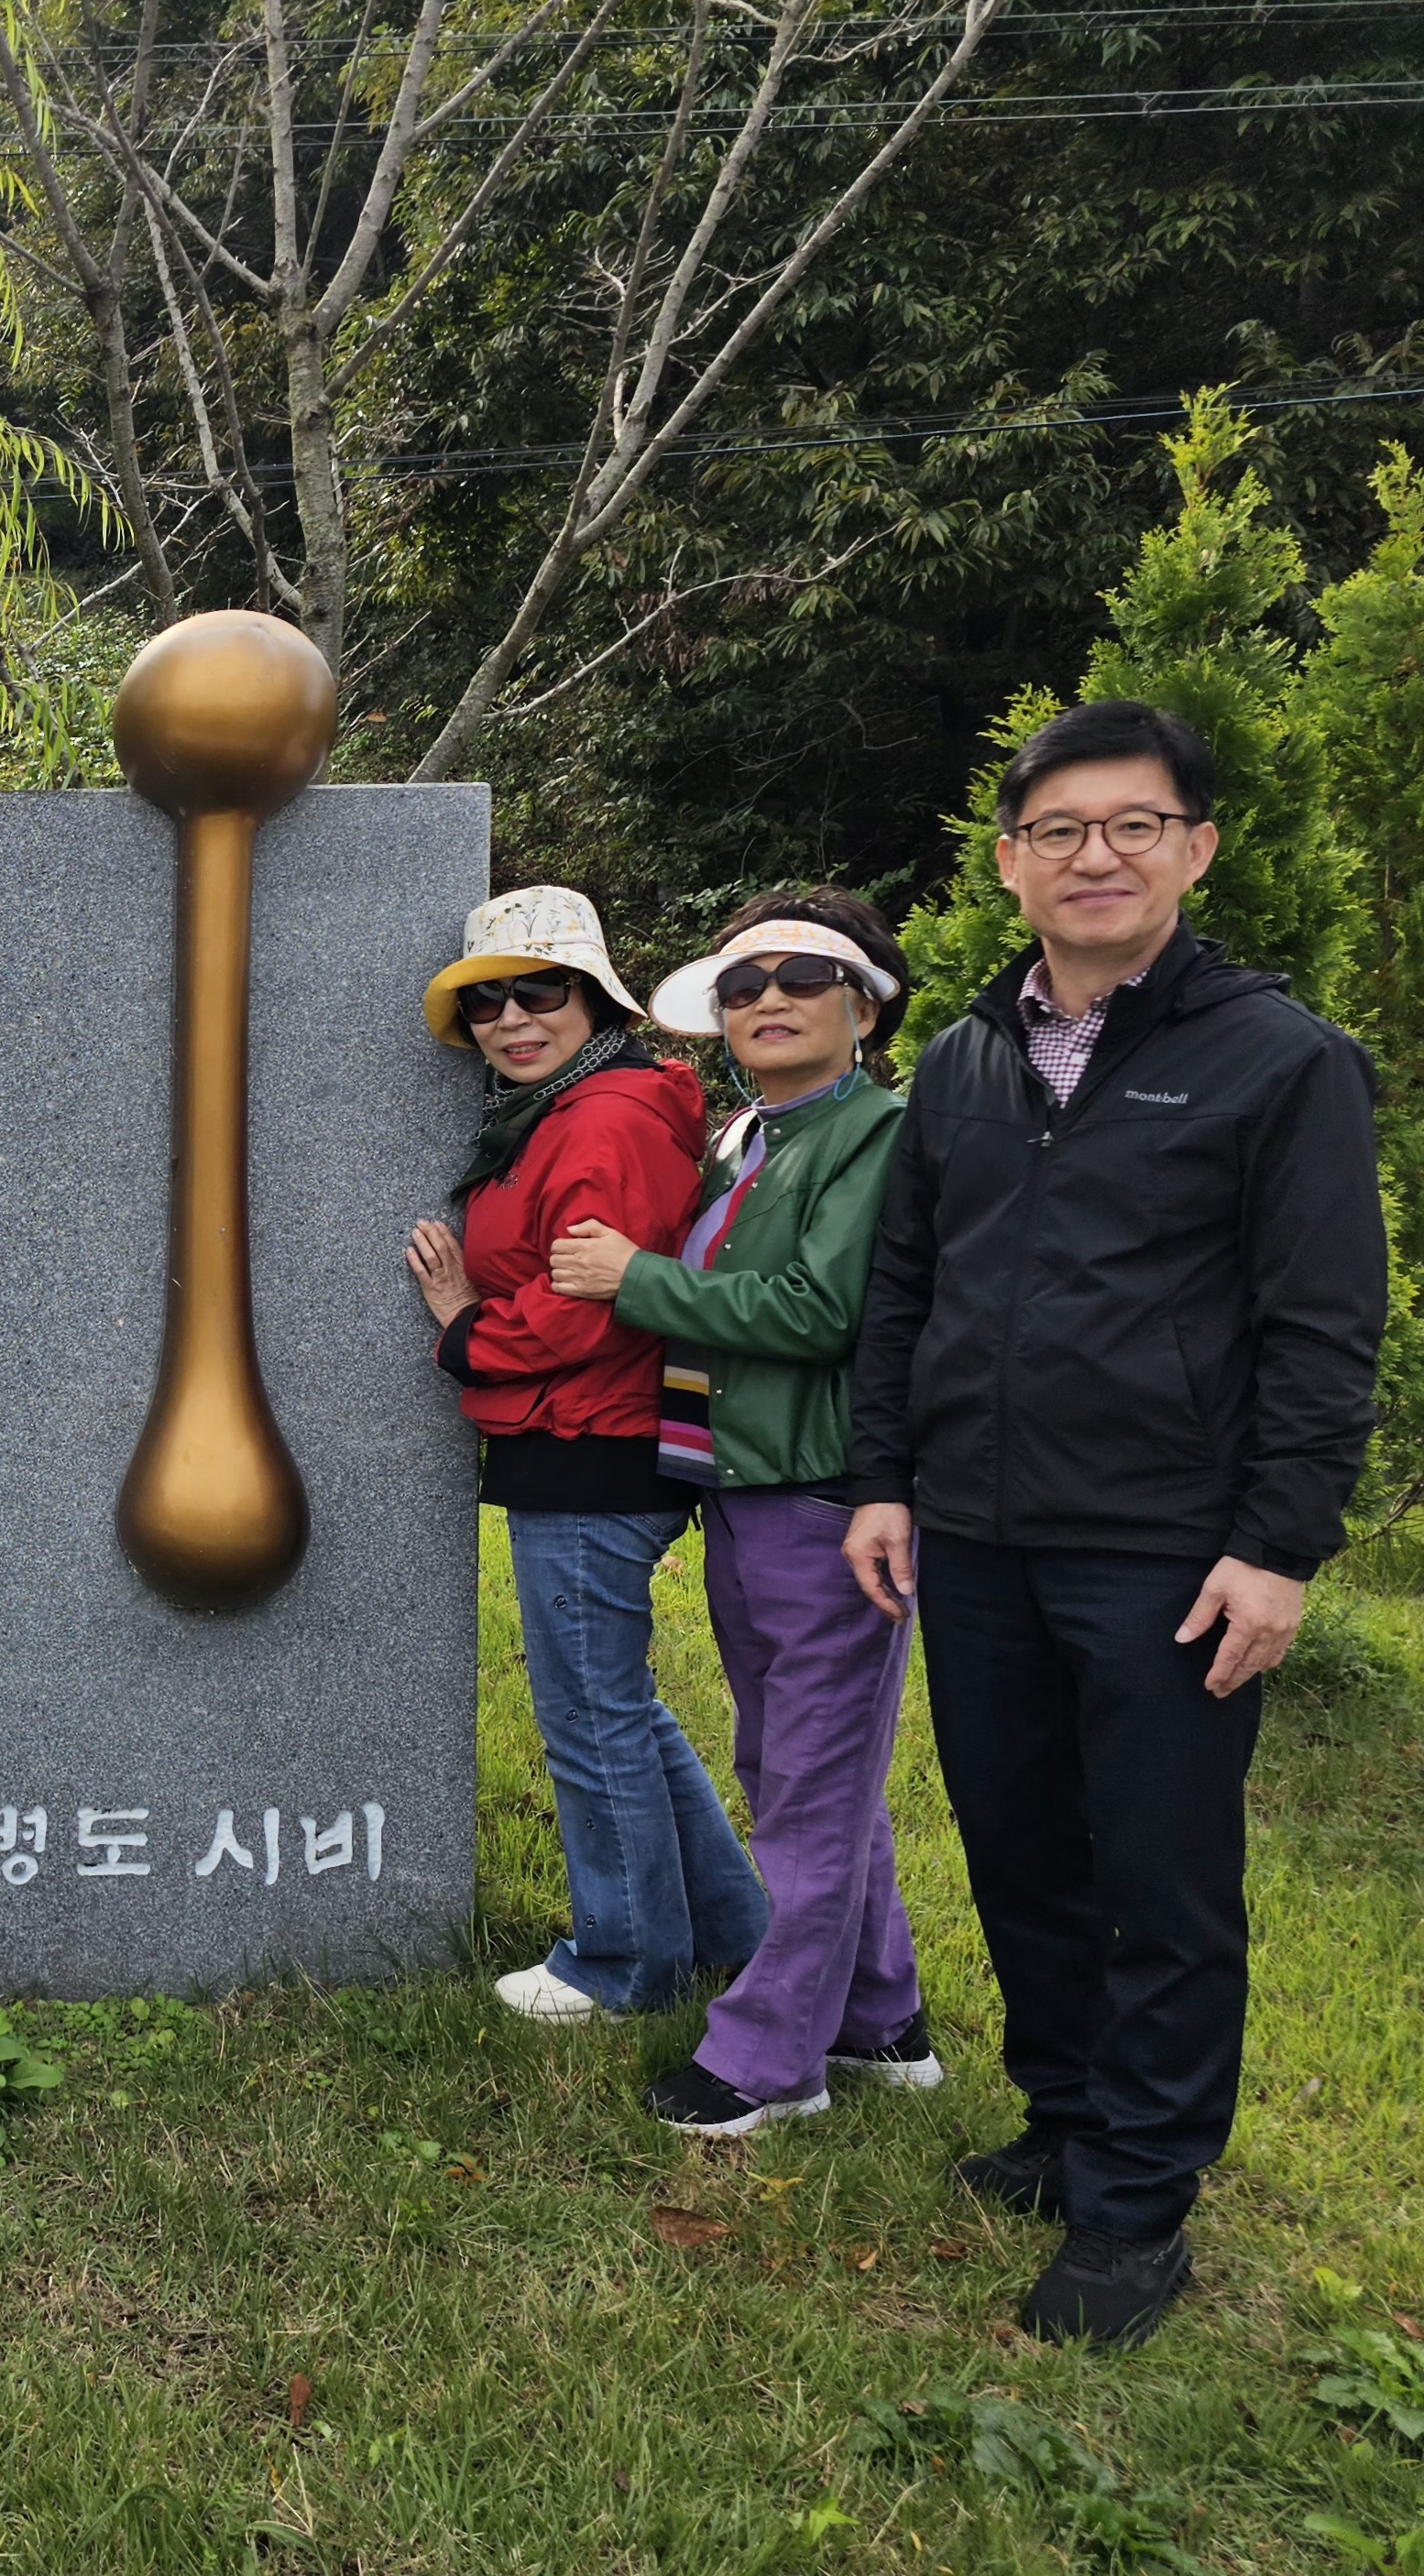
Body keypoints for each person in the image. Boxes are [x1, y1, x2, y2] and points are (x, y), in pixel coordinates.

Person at [843, 700, 1386, 2347]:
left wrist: (1277, 1546)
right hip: (975, 1535)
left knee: (1160, 1877)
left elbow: (1320, 1326)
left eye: (1132, 825)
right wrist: (884, 1477)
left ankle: (1139, 2202)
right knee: (1019, 1849)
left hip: (1167, 1549)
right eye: (1057, 831)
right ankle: (1069, 2118)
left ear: (1192, 849)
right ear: (1010, 863)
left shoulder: (1278, 1061)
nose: (1094, 856)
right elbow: (904, 1287)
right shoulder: (963, 1060)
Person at [546, 891, 936, 2136]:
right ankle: (882, 2020)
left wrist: (636, 1279)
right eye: (741, 984)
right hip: (745, 1488)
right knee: (801, 1768)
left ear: (864, 1008)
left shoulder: (876, 1137)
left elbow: (822, 1311)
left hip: (828, 1501)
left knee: (809, 1787)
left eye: (801, 979)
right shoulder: (749, 1137)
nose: (767, 999)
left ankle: (769, 2063)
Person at [407, 886, 766, 2025]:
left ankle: (623, 1964)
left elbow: (587, 1306)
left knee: (590, 1720)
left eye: (541, 992)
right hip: (580, 1437)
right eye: (487, 1004)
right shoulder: (560, 1109)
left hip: (591, 1441)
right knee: (618, 1707)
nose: (513, 1019)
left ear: (596, 999)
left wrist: (464, 1329)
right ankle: (730, 1933)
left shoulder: (604, 1117)